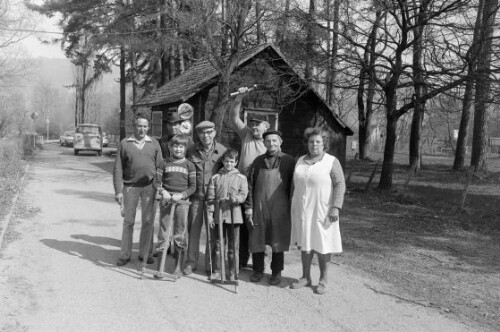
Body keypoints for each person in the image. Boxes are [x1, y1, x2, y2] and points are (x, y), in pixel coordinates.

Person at [290, 127, 346, 295]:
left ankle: (323, 280)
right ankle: (305, 277)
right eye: (311, 141)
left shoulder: (331, 161)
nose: (314, 144)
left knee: (323, 245)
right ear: (307, 143)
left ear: (324, 144)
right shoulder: (300, 160)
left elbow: (340, 184)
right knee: (305, 244)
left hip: (323, 211)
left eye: (318, 142)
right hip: (302, 210)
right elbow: (294, 184)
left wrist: (335, 207)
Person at [244, 130, 296, 285]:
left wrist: (292, 207)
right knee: (257, 238)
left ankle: (276, 272)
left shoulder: (288, 161)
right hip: (259, 206)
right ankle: (258, 269)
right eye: (268, 141)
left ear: (280, 141)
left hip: (280, 208)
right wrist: (249, 207)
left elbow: (294, 186)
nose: (271, 143)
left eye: (274, 140)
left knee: (277, 240)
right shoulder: (258, 161)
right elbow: (250, 186)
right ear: (264, 143)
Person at [113, 113, 163, 266]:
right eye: (139, 126)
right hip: (130, 188)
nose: (142, 129)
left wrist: (159, 184)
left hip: (150, 187)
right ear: (134, 127)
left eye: (145, 126)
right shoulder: (125, 143)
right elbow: (118, 168)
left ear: (148, 127)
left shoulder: (154, 143)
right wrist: (118, 191)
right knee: (129, 221)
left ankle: (145, 253)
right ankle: (125, 254)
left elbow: (160, 166)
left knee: (148, 222)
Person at [229, 86, 270, 269]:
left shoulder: (270, 143)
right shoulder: (246, 134)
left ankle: (258, 261)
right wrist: (239, 97)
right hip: (242, 185)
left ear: (266, 127)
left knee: (257, 224)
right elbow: (233, 117)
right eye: (252, 123)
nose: (254, 126)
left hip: (260, 187)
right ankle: (241, 259)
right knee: (242, 224)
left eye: (258, 124)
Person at [183, 121, 227, 276]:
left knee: (212, 232)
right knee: (193, 230)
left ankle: (211, 265)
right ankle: (190, 263)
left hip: (213, 200)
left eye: (209, 132)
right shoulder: (190, 150)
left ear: (214, 132)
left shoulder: (222, 151)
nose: (206, 135)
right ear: (198, 135)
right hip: (195, 197)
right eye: (202, 133)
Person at [152, 134, 196, 277]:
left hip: (181, 204)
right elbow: (156, 182)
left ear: (185, 148)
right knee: (163, 234)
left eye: (181, 146)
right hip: (166, 201)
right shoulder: (163, 163)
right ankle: (160, 268)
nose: (178, 149)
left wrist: (182, 195)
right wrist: (163, 191)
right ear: (170, 147)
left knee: (179, 234)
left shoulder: (189, 165)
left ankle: (177, 267)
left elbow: (192, 186)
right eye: (175, 146)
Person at [206, 149, 248, 281]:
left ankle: (232, 272)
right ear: (223, 161)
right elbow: (210, 198)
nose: (229, 164)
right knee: (218, 245)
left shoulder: (241, 178)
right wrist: (210, 215)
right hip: (219, 216)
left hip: (234, 216)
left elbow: (243, 195)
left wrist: (235, 199)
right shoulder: (215, 178)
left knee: (233, 247)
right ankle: (217, 270)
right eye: (226, 161)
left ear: (236, 162)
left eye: (231, 161)